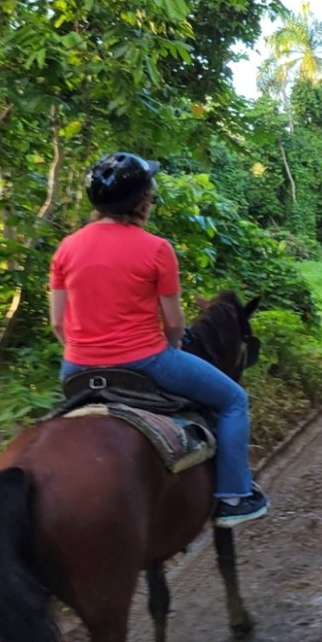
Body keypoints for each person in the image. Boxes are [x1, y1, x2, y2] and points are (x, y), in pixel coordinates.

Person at [49, 152, 269, 528]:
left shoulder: (66, 248)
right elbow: (174, 323)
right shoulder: (156, 249)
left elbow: (57, 323)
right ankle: (233, 496)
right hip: (144, 361)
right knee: (234, 399)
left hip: (76, 369)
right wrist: (173, 346)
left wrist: (87, 349)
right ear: (142, 201)